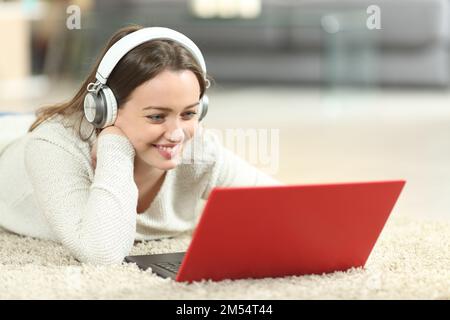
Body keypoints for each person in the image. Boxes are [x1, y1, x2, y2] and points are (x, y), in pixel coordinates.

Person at [0, 25, 281, 265]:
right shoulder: (53, 146)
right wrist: (114, 146)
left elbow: (284, 207)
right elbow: (102, 253)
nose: (176, 134)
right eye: (157, 116)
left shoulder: (198, 149)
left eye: (189, 113)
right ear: (104, 110)